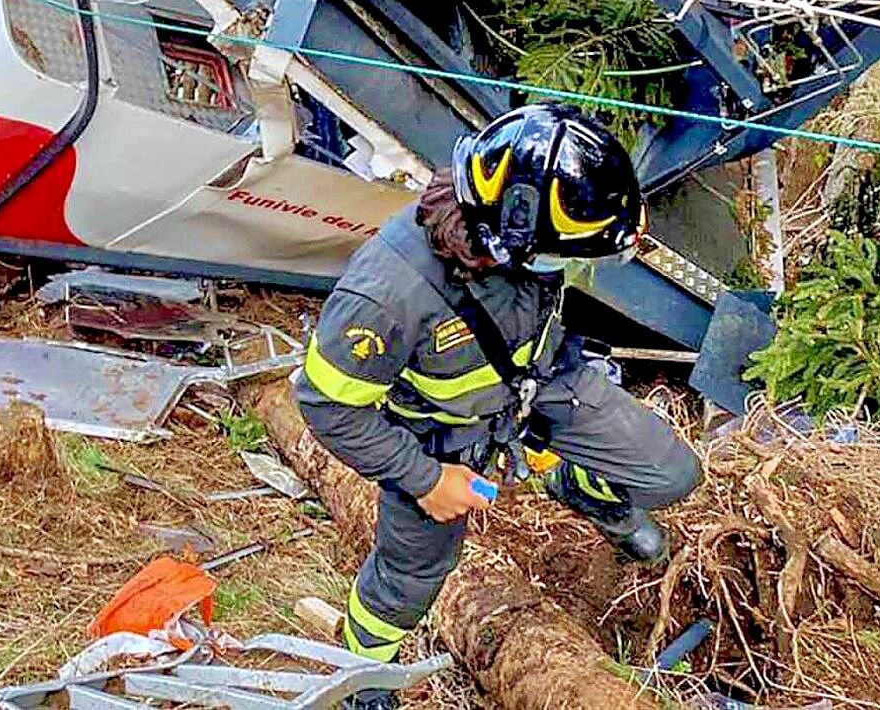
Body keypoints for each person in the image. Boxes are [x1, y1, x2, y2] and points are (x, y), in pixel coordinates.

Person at [295, 104, 701, 702]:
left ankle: (577, 485)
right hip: (439, 436)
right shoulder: (386, 297)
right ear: (505, 241)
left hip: (538, 384)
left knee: (670, 472)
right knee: (406, 581)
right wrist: (426, 478)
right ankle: (362, 684)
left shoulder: (520, 219)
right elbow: (328, 406)